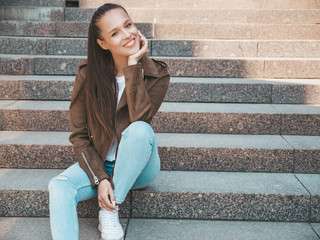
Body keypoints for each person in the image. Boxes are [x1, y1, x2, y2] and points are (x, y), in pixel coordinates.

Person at [48, 3, 170, 240]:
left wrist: (134, 66)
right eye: (115, 33)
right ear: (103, 43)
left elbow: (140, 120)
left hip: (139, 167)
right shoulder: (88, 75)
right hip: (102, 161)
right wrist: (100, 177)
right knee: (59, 186)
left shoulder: (157, 74)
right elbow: (79, 136)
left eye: (128, 25)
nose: (127, 35)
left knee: (140, 130)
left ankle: (110, 209)